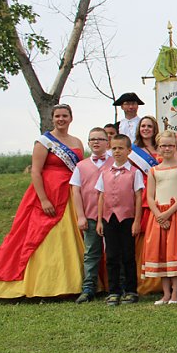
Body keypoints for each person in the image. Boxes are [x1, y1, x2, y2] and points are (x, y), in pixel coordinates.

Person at [0, 104, 84, 299]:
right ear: (52, 118)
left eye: (65, 115)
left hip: (71, 193)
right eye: (57, 116)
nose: (61, 119)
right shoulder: (44, 142)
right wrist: (44, 199)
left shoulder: (77, 141)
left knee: (71, 236)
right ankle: (41, 284)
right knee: (42, 236)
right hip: (48, 193)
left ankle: (74, 282)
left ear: (71, 118)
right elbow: (36, 171)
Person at [95, 134, 144, 306]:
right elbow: (101, 197)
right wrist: (100, 221)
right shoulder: (104, 173)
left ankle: (131, 290)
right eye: (114, 148)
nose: (117, 151)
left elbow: (138, 197)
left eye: (121, 148)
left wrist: (137, 221)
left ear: (129, 151)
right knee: (112, 255)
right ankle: (113, 291)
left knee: (128, 255)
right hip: (109, 218)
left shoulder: (134, 172)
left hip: (127, 218)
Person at [143, 130, 177, 305]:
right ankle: (165, 294)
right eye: (163, 145)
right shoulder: (154, 170)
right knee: (162, 253)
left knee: (175, 253)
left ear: (176, 147)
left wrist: (168, 213)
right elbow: (149, 196)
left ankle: (175, 294)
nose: (167, 148)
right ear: (158, 147)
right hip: (158, 216)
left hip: (176, 214)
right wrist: (158, 215)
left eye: (170, 145)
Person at [71, 128, 112, 303]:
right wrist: (80, 216)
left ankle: (117, 286)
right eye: (92, 139)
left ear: (107, 142)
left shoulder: (115, 162)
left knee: (114, 251)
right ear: (88, 143)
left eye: (100, 139)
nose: (96, 142)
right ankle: (89, 287)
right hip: (90, 215)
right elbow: (76, 191)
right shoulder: (81, 166)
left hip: (112, 216)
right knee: (91, 253)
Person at [130, 116, 163, 295]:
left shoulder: (161, 148)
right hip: (142, 195)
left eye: (149, 126)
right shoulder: (134, 151)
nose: (146, 129)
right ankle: (144, 281)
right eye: (143, 126)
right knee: (143, 237)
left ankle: (160, 281)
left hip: (162, 193)